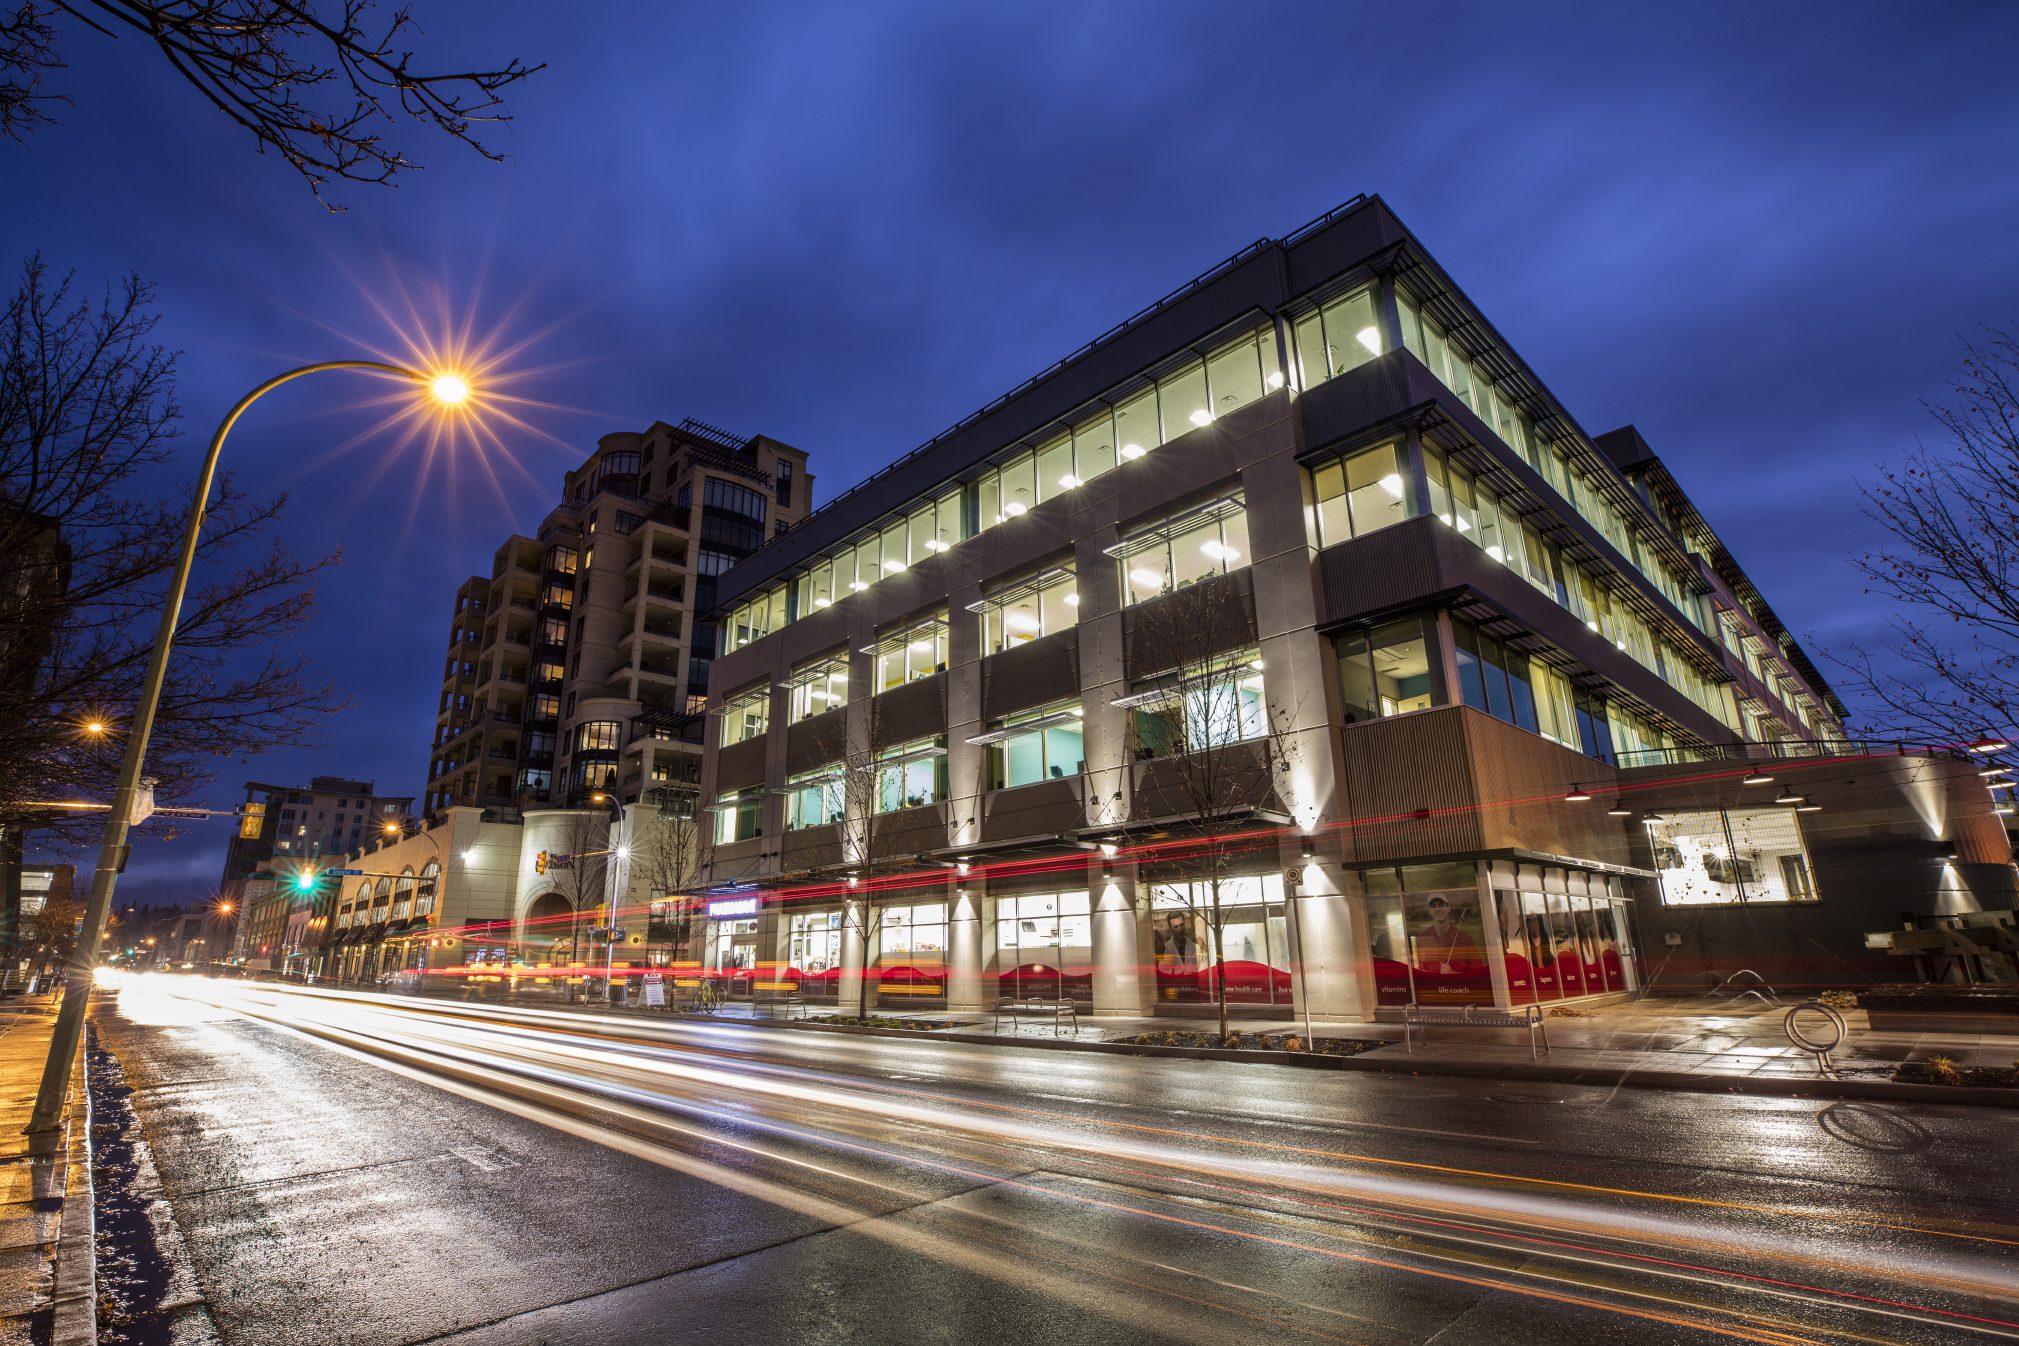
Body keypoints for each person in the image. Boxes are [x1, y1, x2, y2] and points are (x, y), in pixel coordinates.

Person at [1413, 896, 1479, 975]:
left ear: (1448, 908)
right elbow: (1419, 970)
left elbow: (1477, 972)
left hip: (1459, 987)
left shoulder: (1465, 938)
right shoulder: (1422, 938)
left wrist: (1453, 974)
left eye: (1441, 905)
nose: (1437, 909)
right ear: (1430, 911)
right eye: (1433, 906)